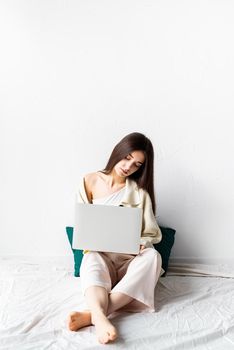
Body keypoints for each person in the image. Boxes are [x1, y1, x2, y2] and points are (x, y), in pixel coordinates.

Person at [67, 132, 163, 344]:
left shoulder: (139, 194)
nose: (129, 167)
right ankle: (100, 318)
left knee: (153, 258)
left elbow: (152, 234)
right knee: (91, 257)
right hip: (101, 257)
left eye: (137, 165)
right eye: (127, 157)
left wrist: (142, 243)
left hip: (129, 262)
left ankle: (93, 315)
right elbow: (82, 224)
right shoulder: (88, 181)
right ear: (119, 150)